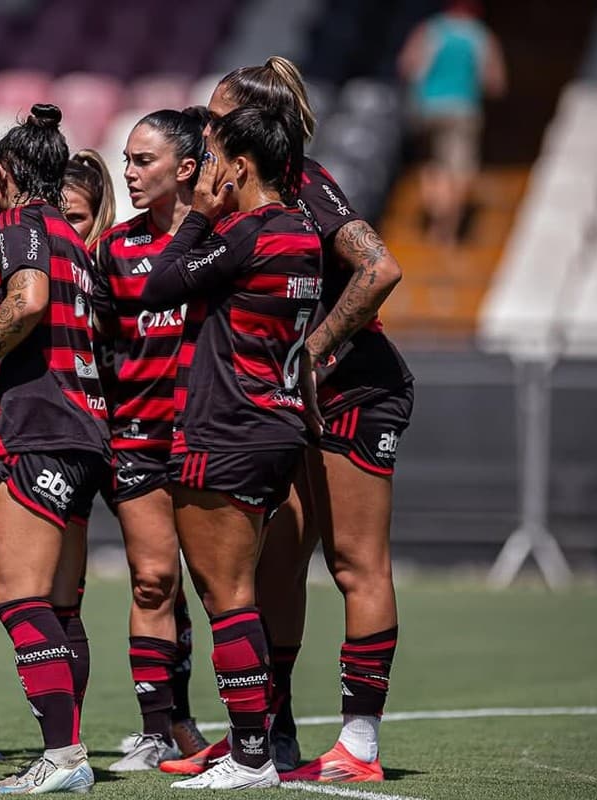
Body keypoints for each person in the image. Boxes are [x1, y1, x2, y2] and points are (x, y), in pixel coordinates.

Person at [204, 56, 415, 784]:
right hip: (301, 402)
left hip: (355, 390)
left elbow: (379, 268)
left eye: (216, 114)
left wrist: (313, 351)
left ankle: (359, 744)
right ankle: (271, 734)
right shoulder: (251, 192)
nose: (206, 127)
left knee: (355, 563)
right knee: (278, 563)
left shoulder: (305, 182)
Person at [134, 104, 320, 791]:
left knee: (229, 599)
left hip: (226, 430)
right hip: (280, 426)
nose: (204, 172)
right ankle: (259, 744)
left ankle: (249, 756)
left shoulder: (243, 233)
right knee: (246, 596)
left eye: (212, 159)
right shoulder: (302, 233)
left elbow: (156, 285)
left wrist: (198, 216)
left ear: (240, 167)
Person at [0, 103, 110, 796]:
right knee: (60, 605)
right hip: (85, 430)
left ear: (8, 175)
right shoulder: (73, 239)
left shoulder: (18, 222)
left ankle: (62, 753)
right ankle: (66, 749)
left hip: (37, 426)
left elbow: (27, 300)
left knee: (18, 596)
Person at [87, 108, 213, 771]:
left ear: (186, 168)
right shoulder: (114, 250)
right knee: (154, 580)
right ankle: (158, 730)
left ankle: (254, 734)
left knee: (223, 592)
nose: (129, 172)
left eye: (144, 161)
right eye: (128, 161)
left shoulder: (223, 241)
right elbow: (96, 346)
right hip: (135, 441)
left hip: (211, 438)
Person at [398, 0, 507, 245]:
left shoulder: (430, 29)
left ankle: (434, 212)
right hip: (463, 108)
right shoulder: (481, 36)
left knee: (432, 164)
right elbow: (495, 81)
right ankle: (446, 228)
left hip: (428, 106)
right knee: (458, 170)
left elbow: (408, 65)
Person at [61, 149, 117, 249]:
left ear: (96, 219)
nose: (61, 228)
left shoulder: (118, 262)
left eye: (74, 218)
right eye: (52, 215)